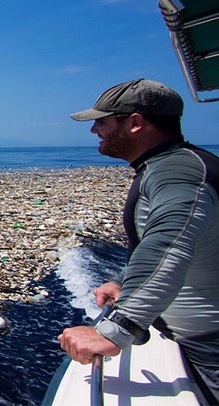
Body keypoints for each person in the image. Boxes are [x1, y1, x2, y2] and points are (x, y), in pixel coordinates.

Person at [58, 78, 219, 404]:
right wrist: (124, 281)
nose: (94, 131)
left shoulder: (177, 173)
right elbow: (169, 242)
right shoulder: (169, 166)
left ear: (134, 122)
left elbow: (169, 247)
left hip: (210, 348)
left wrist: (114, 330)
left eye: (101, 122)